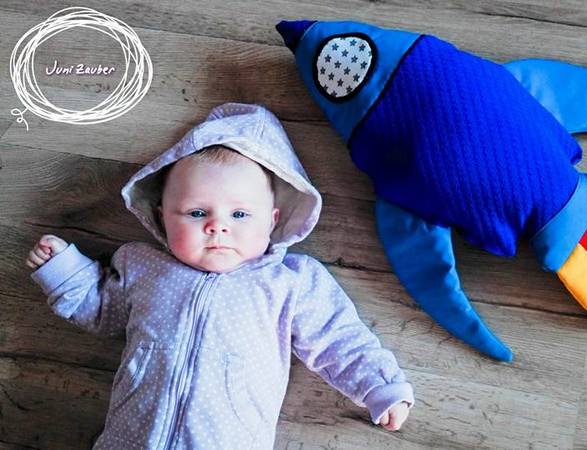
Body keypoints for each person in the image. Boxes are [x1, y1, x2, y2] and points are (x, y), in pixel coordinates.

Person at [25, 103, 413, 449]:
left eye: (239, 214)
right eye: (197, 213)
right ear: (162, 216)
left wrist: (380, 385)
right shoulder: (141, 266)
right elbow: (102, 309)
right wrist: (66, 272)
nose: (217, 226)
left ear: (272, 220)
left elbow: (336, 338)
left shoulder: (288, 283)